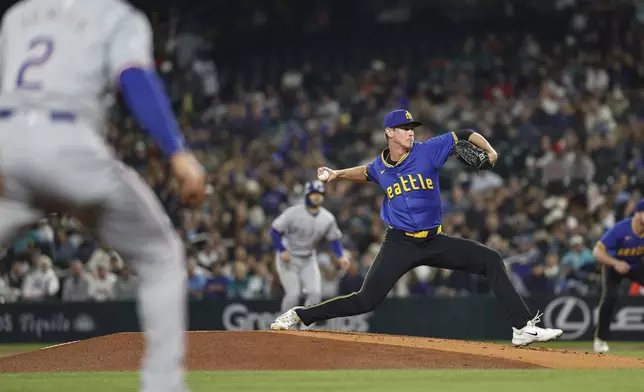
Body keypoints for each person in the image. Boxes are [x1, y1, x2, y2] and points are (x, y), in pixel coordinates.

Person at [0, 1, 205, 391]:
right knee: (160, 257)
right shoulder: (116, 16)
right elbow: (135, 79)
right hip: (71, 143)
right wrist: (178, 153)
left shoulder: (18, 15)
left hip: (6, 145)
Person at [271, 109, 563, 346]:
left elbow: (464, 134)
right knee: (365, 300)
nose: (411, 131)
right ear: (389, 132)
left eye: (412, 126)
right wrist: (338, 174)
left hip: (435, 241)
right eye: (404, 126)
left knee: (490, 259)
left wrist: (490, 151)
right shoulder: (380, 166)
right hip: (399, 244)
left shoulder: (428, 151)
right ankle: (300, 315)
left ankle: (522, 328)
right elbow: (367, 172)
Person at [270, 180, 350, 328]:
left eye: (319, 194)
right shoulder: (293, 212)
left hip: (308, 258)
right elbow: (274, 230)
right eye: (313, 194)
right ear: (307, 195)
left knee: (315, 293)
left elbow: (334, 239)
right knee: (293, 294)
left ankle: (306, 330)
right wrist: (281, 249)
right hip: (289, 257)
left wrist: (340, 256)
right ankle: (281, 323)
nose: (316, 197)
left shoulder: (327, 218)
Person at [592, 199, 644, 353]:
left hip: (635, 265)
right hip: (613, 266)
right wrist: (615, 263)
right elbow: (597, 251)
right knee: (611, 297)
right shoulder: (621, 229)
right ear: (637, 214)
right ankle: (601, 339)